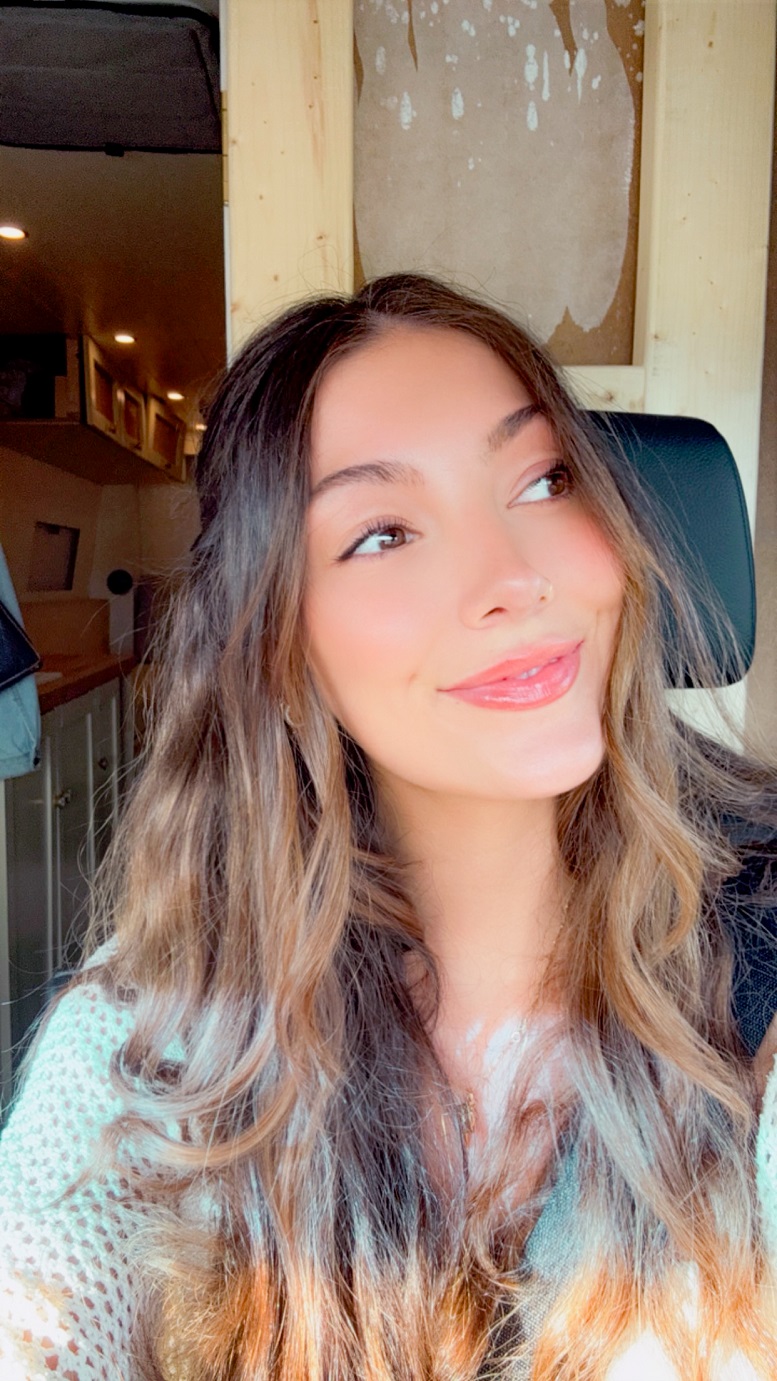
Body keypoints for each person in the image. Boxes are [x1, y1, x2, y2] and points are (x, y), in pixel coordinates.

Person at [1, 273, 776, 1380]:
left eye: (544, 478)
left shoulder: (761, 942)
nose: (512, 577)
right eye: (382, 534)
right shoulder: (166, 1023)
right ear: (277, 648)